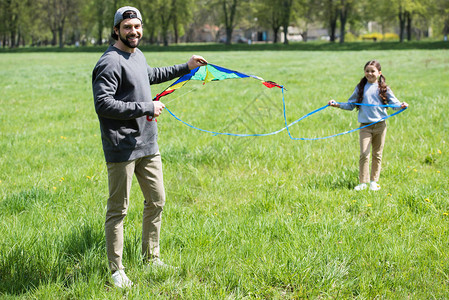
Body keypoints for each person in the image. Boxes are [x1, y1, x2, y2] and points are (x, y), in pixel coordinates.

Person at [92, 6, 207, 288]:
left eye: (137, 26)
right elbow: (103, 104)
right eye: (128, 27)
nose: (134, 31)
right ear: (116, 29)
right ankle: (116, 269)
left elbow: (151, 74)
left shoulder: (136, 55)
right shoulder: (109, 62)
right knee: (118, 210)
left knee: (157, 201)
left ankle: (151, 257)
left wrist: (186, 66)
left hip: (148, 144)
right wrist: (147, 107)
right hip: (122, 148)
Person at [328, 60, 408, 191]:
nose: (369, 73)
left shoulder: (384, 89)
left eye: (373, 71)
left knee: (377, 154)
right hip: (365, 126)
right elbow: (350, 104)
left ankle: (373, 182)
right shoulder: (360, 88)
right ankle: (363, 182)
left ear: (379, 73)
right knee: (364, 154)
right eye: (367, 71)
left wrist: (401, 105)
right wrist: (336, 104)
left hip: (380, 126)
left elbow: (395, 105)